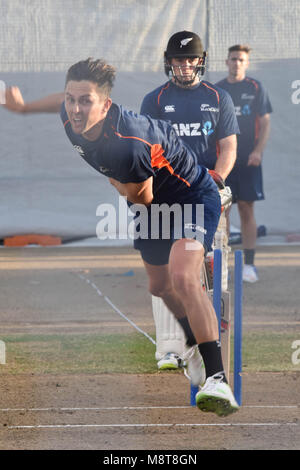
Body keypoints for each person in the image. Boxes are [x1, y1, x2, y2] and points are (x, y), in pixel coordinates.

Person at [3, 57, 239, 416]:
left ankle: (218, 378)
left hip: (190, 196)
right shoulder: (70, 114)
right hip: (150, 203)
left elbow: (138, 196)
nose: (76, 108)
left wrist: (114, 180)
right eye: (72, 98)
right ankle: (192, 344)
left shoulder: (127, 144)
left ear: (106, 104)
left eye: (86, 101)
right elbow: (57, 102)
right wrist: (22, 109)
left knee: (183, 276)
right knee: (159, 287)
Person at [140, 31, 239, 372]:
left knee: (206, 267)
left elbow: (228, 147)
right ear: (169, 62)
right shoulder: (154, 100)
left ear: (201, 60)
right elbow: (143, 151)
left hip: (204, 193)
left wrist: (219, 177)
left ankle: (215, 325)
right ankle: (170, 348)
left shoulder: (217, 97)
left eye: (190, 60)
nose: (184, 66)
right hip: (167, 194)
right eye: (178, 61)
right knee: (165, 277)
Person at [216, 45, 272, 283]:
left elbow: (266, 123)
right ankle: (223, 266)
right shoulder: (217, 90)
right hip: (225, 162)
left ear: (246, 63)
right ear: (226, 62)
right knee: (223, 212)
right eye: (233, 59)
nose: (237, 63)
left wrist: (258, 151)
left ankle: (249, 265)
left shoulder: (256, 87)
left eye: (241, 59)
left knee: (246, 209)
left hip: (249, 160)